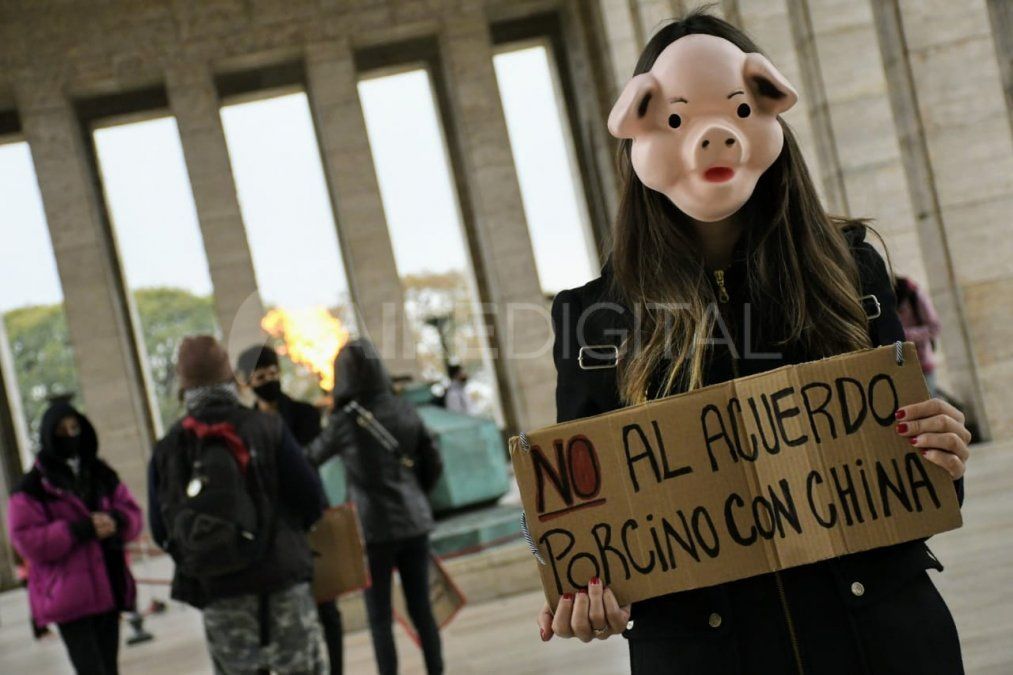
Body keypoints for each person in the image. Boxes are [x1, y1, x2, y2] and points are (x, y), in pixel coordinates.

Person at [536, 11, 972, 675]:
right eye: (676, 119)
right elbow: (587, 515)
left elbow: (912, 483)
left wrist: (943, 450)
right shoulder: (592, 321)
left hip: (879, 640)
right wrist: (584, 589)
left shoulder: (850, 271)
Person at [148, 335, 327, 675]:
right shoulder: (266, 427)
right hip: (282, 581)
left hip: (220, 590)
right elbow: (311, 499)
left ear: (184, 388)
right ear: (231, 379)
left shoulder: (169, 448)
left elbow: (160, 529)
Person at [306, 339, 444, 675]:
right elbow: (433, 461)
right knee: (422, 608)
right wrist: (416, 494)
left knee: (380, 617)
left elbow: (310, 458)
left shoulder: (343, 421)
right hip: (414, 521)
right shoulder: (403, 408)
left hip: (372, 529)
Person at [8, 399, 144, 674]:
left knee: (109, 667)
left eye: (74, 428)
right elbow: (25, 538)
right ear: (48, 434)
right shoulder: (33, 488)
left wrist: (116, 521)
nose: (70, 436)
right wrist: (76, 530)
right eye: (62, 430)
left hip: (108, 586)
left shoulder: (101, 474)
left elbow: (133, 513)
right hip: (69, 597)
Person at [235, 343, 344, 675]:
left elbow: (310, 464)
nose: (268, 380)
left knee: (327, 609)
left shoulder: (305, 414)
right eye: (260, 376)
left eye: (272, 373)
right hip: (272, 531)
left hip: (308, 519)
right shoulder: (243, 426)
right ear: (246, 381)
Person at [895, 275, 943, 396]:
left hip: (922, 362)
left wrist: (905, 334)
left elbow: (935, 327)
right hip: (900, 365)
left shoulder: (915, 294)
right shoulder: (884, 298)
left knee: (928, 402)